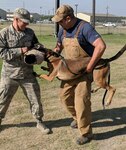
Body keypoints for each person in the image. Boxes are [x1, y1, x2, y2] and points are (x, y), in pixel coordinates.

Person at [52, 5, 106, 145]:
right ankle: (78, 118)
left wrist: (90, 66)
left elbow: (100, 46)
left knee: (81, 101)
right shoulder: (62, 29)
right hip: (69, 71)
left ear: (68, 18)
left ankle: (86, 133)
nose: (58, 23)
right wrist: (55, 51)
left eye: (60, 21)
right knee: (64, 98)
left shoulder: (85, 28)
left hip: (83, 71)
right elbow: (59, 46)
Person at [0, 8, 50, 134]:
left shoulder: (30, 33)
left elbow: (36, 45)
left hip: (27, 74)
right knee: (2, 100)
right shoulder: (4, 33)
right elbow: (1, 52)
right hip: (9, 75)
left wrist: (40, 51)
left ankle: (39, 121)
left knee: (36, 99)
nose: (26, 24)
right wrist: (20, 50)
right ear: (16, 19)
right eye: (24, 22)